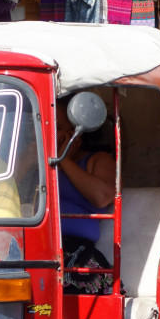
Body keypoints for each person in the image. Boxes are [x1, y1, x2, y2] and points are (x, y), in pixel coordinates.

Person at [56, 97, 116, 294]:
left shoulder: (98, 159)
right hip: (37, 246)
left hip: (76, 252)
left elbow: (102, 197)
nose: (49, 132)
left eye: (57, 127)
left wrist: (63, 159)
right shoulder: (36, 159)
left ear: (74, 132)